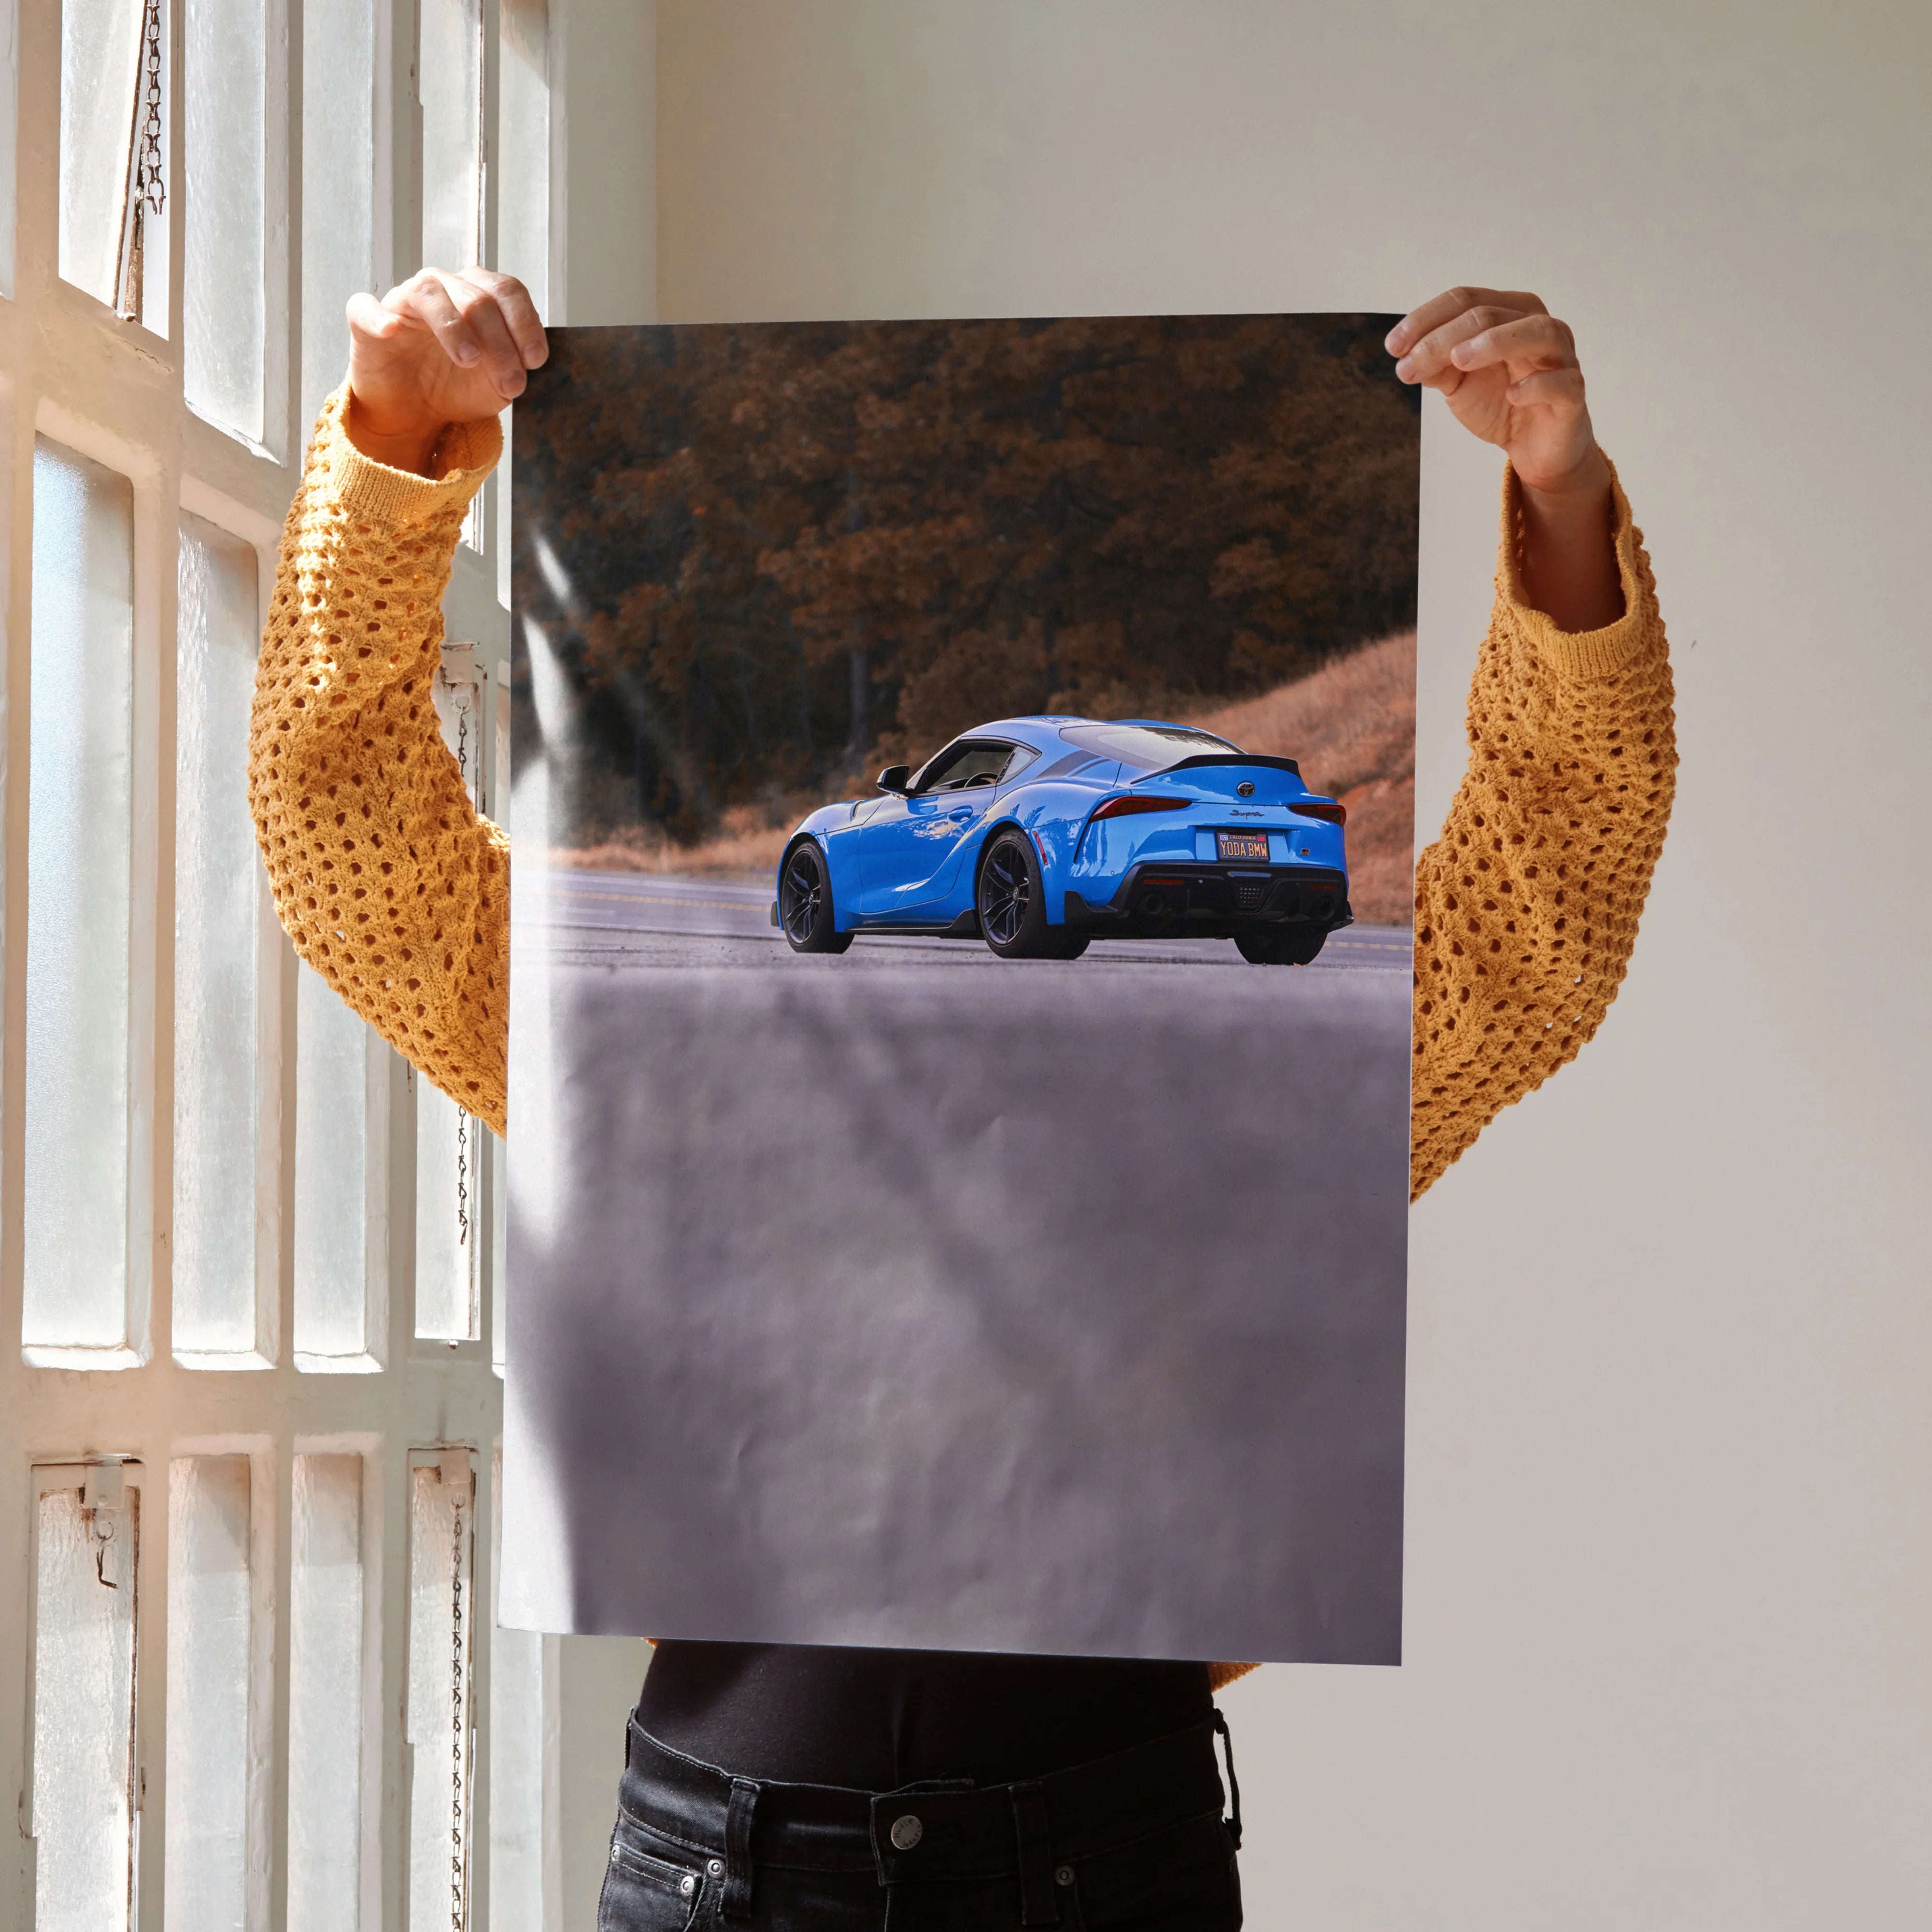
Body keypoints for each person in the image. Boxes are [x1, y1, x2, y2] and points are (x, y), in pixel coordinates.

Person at [250, 270, 1675, 1930]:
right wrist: (393, 444)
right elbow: (354, 854)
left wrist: (1560, 498)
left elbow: (1543, 909)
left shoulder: (1255, 1090)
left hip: (1095, 1852)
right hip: (736, 1864)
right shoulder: (670, 1058)